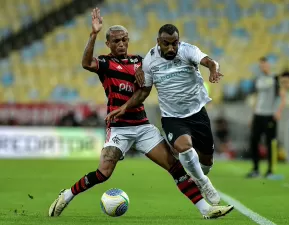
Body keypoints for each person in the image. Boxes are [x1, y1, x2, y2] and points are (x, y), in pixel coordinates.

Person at [48, 8, 234, 219]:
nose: (121, 44)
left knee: (174, 167)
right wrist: (93, 34)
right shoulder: (106, 63)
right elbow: (86, 63)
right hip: (119, 127)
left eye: (124, 40)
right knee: (104, 173)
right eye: (116, 41)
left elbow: (149, 86)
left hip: (143, 126)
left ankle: (205, 209)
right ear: (108, 44)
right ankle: (68, 195)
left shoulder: (140, 62)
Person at [106, 24, 223, 205]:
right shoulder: (150, 61)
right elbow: (144, 92)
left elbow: (209, 61)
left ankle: (202, 175)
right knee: (184, 147)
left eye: (174, 43)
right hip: (172, 117)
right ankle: (204, 183)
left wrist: (213, 69)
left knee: (206, 162)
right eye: (166, 44)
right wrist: (125, 107)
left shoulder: (188, 51)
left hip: (197, 113)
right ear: (158, 42)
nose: (171, 48)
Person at [246, 57, 286, 178]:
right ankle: (256, 169)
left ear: (269, 65)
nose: (262, 67)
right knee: (254, 141)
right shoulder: (258, 79)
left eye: (264, 65)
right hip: (258, 115)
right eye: (260, 65)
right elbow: (257, 98)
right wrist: (252, 116)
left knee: (270, 143)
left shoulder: (275, 78)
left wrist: (278, 111)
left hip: (270, 115)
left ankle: (270, 170)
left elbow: (282, 96)